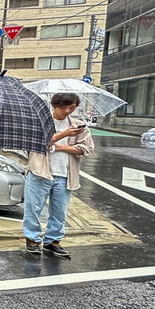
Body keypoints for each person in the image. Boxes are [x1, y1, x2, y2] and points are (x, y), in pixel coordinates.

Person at [23, 93, 94, 258]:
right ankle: (32, 240)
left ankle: (52, 241)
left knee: (60, 210)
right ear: (55, 106)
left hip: (65, 173)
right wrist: (64, 135)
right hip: (40, 171)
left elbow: (85, 149)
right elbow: (38, 143)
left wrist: (60, 148)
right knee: (33, 208)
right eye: (64, 107)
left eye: (72, 107)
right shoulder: (41, 122)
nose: (68, 111)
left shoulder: (78, 126)